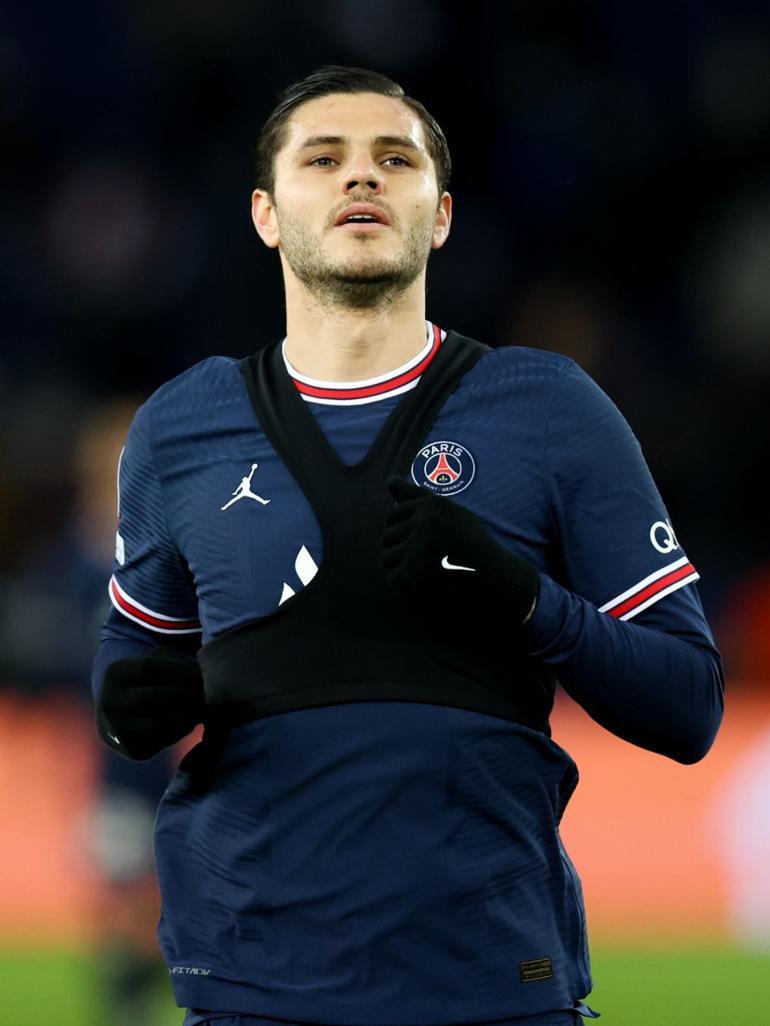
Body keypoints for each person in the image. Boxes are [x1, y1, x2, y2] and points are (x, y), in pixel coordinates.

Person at [91, 65, 725, 1026]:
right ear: (265, 215)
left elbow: (689, 706)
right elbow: (131, 659)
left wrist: (528, 603)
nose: (362, 176)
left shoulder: (548, 408)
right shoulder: (179, 426)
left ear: (441, 217)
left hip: (496, 988)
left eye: (395, 159)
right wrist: (126, 706)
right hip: (250, 994)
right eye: (324, 159)